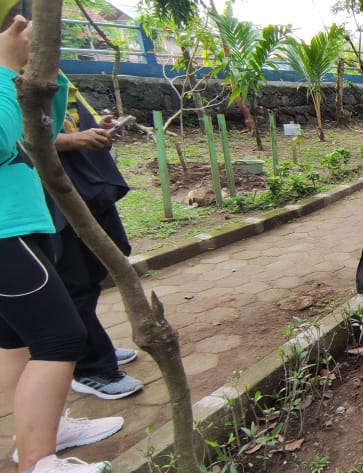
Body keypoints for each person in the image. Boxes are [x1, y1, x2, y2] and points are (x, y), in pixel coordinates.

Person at [0, 9, 119, 473]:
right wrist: (8, 67)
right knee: (60, 336)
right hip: (5, 230)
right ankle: (38, 461)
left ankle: (40, 432)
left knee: (17, 341)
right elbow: (7, 139)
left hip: (20, 224)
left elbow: (39, 133)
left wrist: (43, 70)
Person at [49, 74, 142, 400]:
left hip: (87, 185)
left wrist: (95, 130)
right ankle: (90, 367)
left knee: (96, 267)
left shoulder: (54, 75)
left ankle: (93, 344)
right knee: (74, 279)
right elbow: (20, 138)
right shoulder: (13, 81)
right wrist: (72, 141)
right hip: (55, 193)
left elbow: (63, 124)